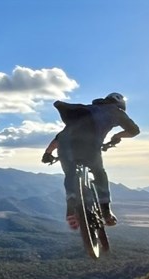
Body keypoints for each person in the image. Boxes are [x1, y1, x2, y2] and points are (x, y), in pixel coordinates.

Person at [42, 92, 140, 230]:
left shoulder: (83, 112)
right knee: (99, 173)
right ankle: (106, 210)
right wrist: (117, 136)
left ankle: (71, 207)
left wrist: (48, 153)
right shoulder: (115, 111)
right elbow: (134, 131)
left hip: (65, 147)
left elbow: (60, 137)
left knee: (70, 174)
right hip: (90, 147)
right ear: (119, 104)